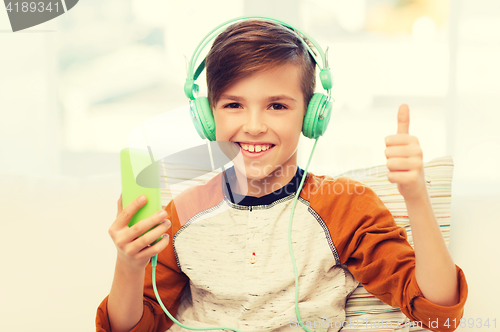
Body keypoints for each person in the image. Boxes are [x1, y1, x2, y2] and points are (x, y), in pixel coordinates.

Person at [96, 18, 468, 332]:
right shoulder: (182, 214)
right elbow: (132, 328)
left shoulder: (344, 206)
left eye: (277, 105)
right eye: (233, 105)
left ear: (311, 115)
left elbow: (439, 314)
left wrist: (416, 197)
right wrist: (129, 265)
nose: (254, 126)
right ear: (208, 118)